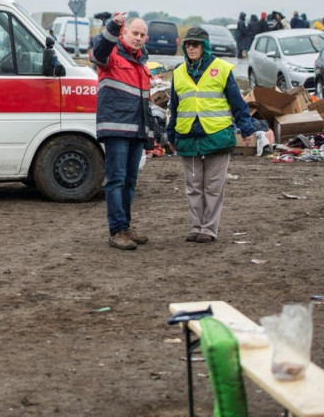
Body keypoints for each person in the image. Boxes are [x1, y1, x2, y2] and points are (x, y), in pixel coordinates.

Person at [165, 27, 254, 243]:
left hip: (217, 136)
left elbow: (237, 102)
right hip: (188, 137)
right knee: (194, 187)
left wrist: (246, 129)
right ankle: (196, 226)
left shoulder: (221, 69)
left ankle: (208, 229)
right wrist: (170, 134)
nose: (191, 48)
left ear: (204, 46)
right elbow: (174, 108)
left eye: (195, 44)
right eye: (188, 44)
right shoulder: (178, 73)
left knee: (213, 187)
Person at [89, 13, 153, 251]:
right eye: (134, 33)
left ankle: (125, 226)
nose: (138, 38)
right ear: (123, 34)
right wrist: (112, 27)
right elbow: (98, 52)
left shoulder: (141, 63)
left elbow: (143, 102)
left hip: (136, 131)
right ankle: (116, 231)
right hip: (116, 129)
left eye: (142, 35)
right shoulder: (111, 55)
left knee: (129, 181)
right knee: (116, 180)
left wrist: (150, 135)